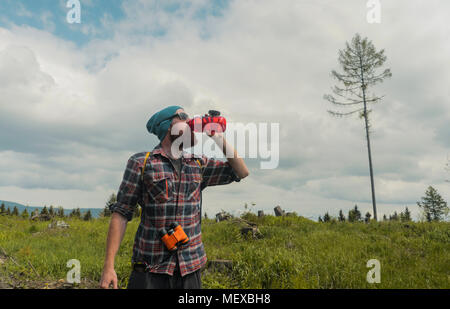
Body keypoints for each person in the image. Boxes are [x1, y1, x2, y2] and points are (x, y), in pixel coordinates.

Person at [99, 105, 249, 289]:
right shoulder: (142, 163)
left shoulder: (198, 163)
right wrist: (109, 266)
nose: (190, 121)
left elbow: (241, 171)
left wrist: (217, 135)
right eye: (183, 116)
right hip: (150, 271)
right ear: (167, 126)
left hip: (190, 269)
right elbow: (121, 213)